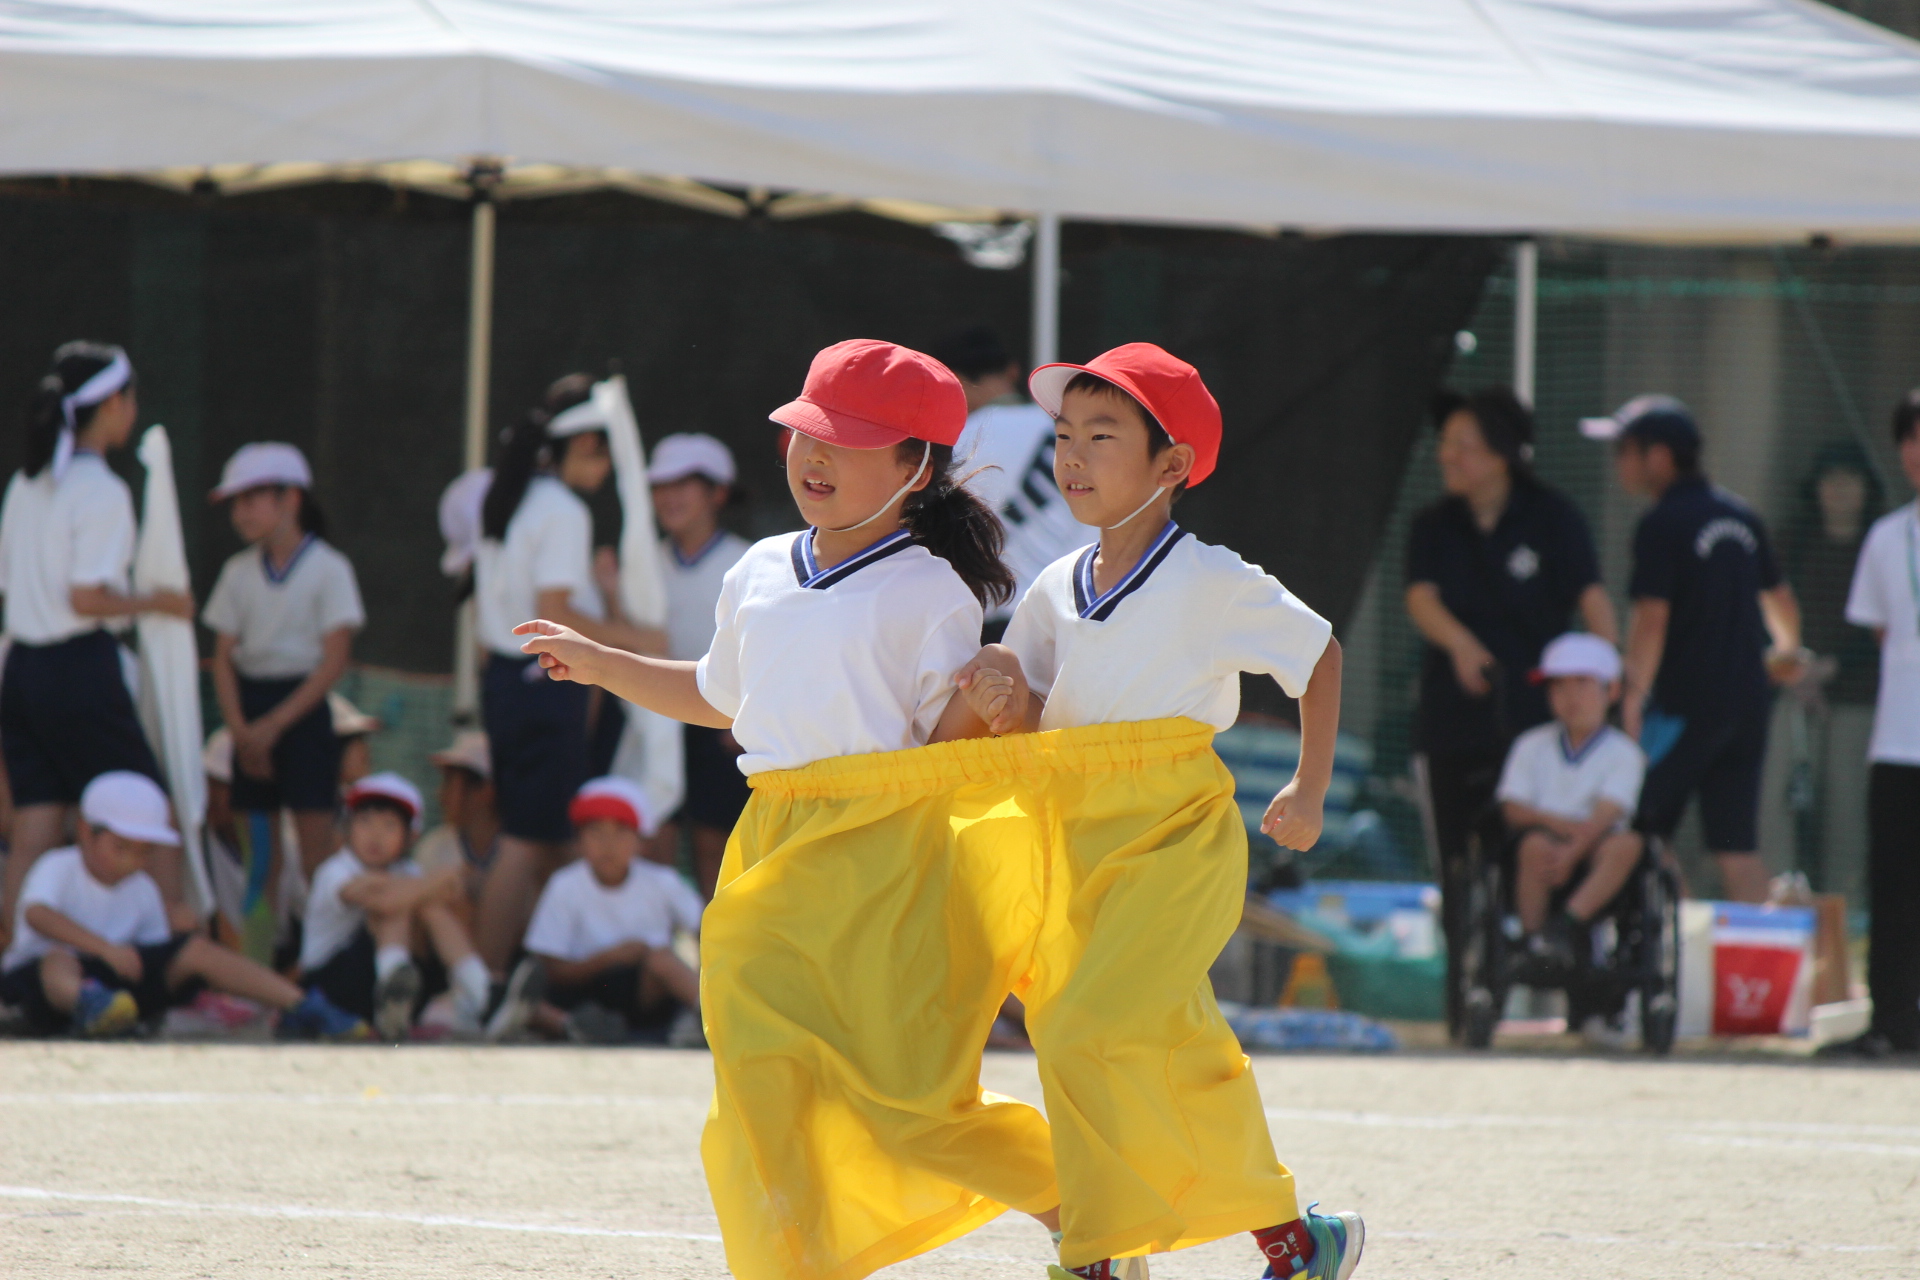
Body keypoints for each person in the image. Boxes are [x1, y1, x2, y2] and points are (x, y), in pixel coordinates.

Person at [516, 339, 1064, 1280]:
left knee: (909, 1105)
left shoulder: (932, 590)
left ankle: (1083, 1207)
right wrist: (601, 662)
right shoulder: (760, 566)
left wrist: (999, 690)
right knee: (758, 1087)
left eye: (846, 441)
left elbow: (946, 755)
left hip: (884, 859)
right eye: (807, 432)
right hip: (768, 846)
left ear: (916, 466)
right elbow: (719, 694)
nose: (814, 455)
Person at [948, 343, 1363, 1280]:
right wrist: (1003, 689)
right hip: (1074, 839)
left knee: (1082, 1025)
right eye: (1064, 436)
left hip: (1174, 837)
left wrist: (1309, 787)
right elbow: (1037, 706)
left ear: (1172, 464)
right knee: (1146, 1041)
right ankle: (1296, 1243)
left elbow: (1319, 655)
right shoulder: (1054, 584)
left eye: (1102, 436)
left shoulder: (1211, 578)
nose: (1073, 456)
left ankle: (1098, 1253)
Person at [1404, 386, 1616, 1039]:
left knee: (1552, 847)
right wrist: (1462, 645)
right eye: (1445, 444)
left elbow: (1593, 602)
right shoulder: (1434, 525)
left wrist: (1608, 682)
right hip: (1452, 720)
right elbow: (1420, 598)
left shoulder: (1553, 518)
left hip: (1540, 725)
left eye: (1464, 445)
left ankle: (1585, 996)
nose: (1448, 456)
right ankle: (1464, 1005)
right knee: (1456, 863)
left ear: (1502, 454)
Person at [470, 374, 667, 975]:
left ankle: (554, 980)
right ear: (578, 446)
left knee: (553, 838)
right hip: (541, 685)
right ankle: (478, 985)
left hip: (507, 684)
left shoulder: (513, 498)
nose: (605, 468)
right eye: (600, 452)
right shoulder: (562, 511)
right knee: (525, 841)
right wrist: (638, 640)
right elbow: (552, 614)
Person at [0, 342, 195, 946]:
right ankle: (167, 959)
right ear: (113, 404)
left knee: (35, 824)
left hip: (21, 668)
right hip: (76, 670)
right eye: (130, 398)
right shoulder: (102, 491)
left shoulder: (25, 485)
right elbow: (86, 598)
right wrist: (159, 602)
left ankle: (14, 962)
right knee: (152, 810)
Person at [1583, 396, 1806, 903]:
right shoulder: (1741, 516)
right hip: (1748, 704)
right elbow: (1781, 601)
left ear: (1659, 457)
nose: (1618, 463)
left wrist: (1633, 695)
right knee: (1737, 847)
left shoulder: (1662, 523)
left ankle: (1680, 936)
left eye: (1625, 450)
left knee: (1639, 824)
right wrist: (1788, 652)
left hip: (1683, 706)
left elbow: (1652, 618)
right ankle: (1748, 951)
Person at [0, 772, 366, 1040]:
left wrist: (178, 944)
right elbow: (37, 914)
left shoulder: (142, 888)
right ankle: (87, 1004)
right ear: (85, 831)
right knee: (59, 959)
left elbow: (152, 955)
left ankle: (302, 1006)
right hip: (39, 988)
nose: (131, 861)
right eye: (121, 848)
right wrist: (104, 949)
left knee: (194, 950)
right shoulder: (60, 866)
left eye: (143, 851)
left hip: (119, 987)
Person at [203, 443, 365, 886]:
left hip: (304, 716)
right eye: (235, 502)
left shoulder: (330, 569)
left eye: (250, 498)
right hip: (249, 715)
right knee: (258, 862)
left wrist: (272, 726)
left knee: (317, 855)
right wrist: (242, 733)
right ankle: (261, 937)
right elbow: (223, 660)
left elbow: (334, 661)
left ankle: (319, 934)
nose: (240, 513)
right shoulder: (236, 572)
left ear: (291, 498)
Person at [1827, 392, 1920, 1058]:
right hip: (1898, 741)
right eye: (1910, 438)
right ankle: (1891, 1020)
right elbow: (1883, 631)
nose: (1917, 451)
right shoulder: (1888, 537)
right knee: (1892, 885)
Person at [299, 773, 491, 1041]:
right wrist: (441, 878)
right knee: (396, 905)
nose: (375, 835)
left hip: (384, 983)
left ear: (411, 837)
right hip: (330, 990)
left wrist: (439, 885)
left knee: (428, 909)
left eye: (389, 826)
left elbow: (451, 895)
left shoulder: (409, 872)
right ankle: (392, 995)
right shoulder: (335, 870)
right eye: (365, 822)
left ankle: (483, 994)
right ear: (348, 827)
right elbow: (386, 901)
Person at [1495, 633, 1646, 971]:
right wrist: (1556, 826)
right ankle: (1534, 941)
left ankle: (1568, 924)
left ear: (1612, 690)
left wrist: (1574, 851)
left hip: (1598, 847)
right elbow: (1512, 807)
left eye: (1582, 683)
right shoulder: (1530, 744)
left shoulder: (1625, 753)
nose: (1570, 697)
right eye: (1558, 686)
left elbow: (1610, 810)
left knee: (1627, 846)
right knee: (1533, 846)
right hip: (1543, 844)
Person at [522, 776, 702, 1044]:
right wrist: (610, 958)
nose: (609, 844)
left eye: (621, 831)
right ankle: (574, 1026)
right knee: (527, 999)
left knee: (661, 959)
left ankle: (714, 1016)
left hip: (642, 995)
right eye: (596, 832)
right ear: (578, 841)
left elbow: (706, 930)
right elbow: (552, 969)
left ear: (642, 842)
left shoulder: (663, 882)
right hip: (580, 992)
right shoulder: (564, 885)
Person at [936, 326, 1089, 640]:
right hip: (1077, 608)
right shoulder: (1067, 433)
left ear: (952, 382)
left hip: (994, 618)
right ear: (1013, 371)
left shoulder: (957, 444)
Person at [648, 432, 751, 897]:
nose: (668, 496)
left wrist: (744, 719)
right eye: (660, 485)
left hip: (721, 723)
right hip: (652, 718)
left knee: (717, 847)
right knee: (653, 839)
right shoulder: (639, 563)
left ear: (718, 493)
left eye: (683, 483)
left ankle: (716, 941)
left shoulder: (749, 561)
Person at [1782, 441, 1884, 894]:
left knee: (1847, 813)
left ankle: (1845, 907)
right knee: (1783, 803)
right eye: (1831, 479)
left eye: (1850, 479)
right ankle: (1781, 900)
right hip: (1795, 695)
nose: (1840, 489)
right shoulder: (1793, 542)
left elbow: (1886, 628)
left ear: (1866, 489)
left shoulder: (1879, 545)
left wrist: (1833, 668)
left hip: (1859, 701)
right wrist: (1798, 671)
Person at [411, 730, 498, 913]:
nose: (440, 794)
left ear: (485, 791)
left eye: (449, 782)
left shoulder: (520, 853)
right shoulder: (433, 848)